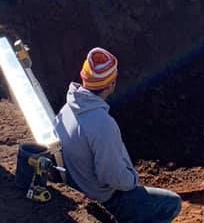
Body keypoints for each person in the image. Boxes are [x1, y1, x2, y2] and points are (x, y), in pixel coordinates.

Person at [55, 47, 182, 223]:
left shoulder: (67, 109)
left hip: (80, 186)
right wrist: (132, 180)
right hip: (105, 199)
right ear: (111, 84)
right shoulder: (101, 123)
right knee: (171, 203)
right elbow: (112, 177)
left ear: (84, 77)